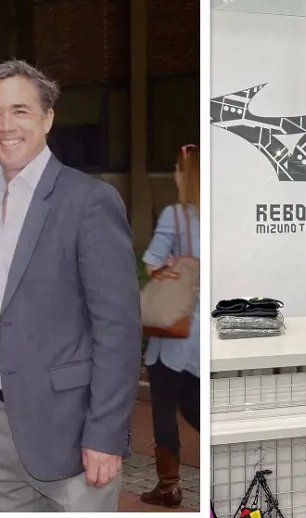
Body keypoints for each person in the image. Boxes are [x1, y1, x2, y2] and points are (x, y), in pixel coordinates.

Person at [0, 60, 142, 511]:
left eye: (20, 111)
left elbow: (118, 329)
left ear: (48, 118)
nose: (6, 126)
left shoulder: (88, 200)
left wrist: (105, 433)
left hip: (70, 433)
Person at [139, 143, 200, 508]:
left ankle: (169, 485)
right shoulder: (221, 216)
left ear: (185, 175)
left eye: (178, 169)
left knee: (166, 405)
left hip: (174, 327)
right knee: (191, 400)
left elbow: (150, 263)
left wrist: (171, 263)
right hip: (201, 329)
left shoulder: (176, 216)